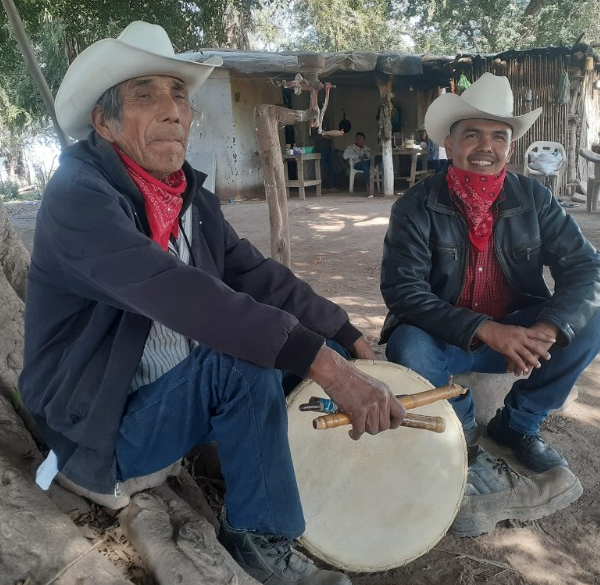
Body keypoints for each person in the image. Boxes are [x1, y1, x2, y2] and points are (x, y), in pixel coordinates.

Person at [18, 22, 407, 585]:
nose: (173, 109)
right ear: (103, 122)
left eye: (179, 94)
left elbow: (255, 275)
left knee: (284, 357)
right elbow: (179, 291)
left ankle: (232, 467)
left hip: (163, 396)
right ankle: (260, 537)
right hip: (98, 430)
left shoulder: (187, 197)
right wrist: (325, 364)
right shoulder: (78, 196)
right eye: (145, 94)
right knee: (246, 360)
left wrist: (345, 335)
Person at [380, 73, 600, 537]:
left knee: (592, 313)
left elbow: (584, 267)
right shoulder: (416, 206)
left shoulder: (534, 198)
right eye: (473, 134)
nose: (486, 146)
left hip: (520, 333)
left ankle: (517, 427)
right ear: (448, 142)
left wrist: (553, 326)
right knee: (408, 346)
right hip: (448, 337)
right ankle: (467, 443)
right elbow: (403, 293)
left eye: (499, 136)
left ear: (510, 147)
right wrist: (484, 328)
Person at [343, 131, 373, 196]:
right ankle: (369, 185)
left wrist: (367, 156)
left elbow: (371, 155)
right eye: (357, 137)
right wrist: (358, 156)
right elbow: (345, 156)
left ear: (363, 139)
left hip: (368, 162)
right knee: (365, 165)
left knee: (379, 158)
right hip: (358, 164)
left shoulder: (366, 148)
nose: (358, 139)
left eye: (360, 137)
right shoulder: (351, 147)